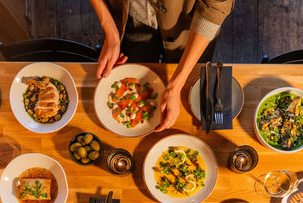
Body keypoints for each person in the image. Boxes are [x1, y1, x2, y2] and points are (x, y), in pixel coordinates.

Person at [90, 0, 233, 132]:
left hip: (189, 27)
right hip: (131, 18)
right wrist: (111, 31)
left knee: (192, 88)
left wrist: (175, 86)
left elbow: (215, 7)